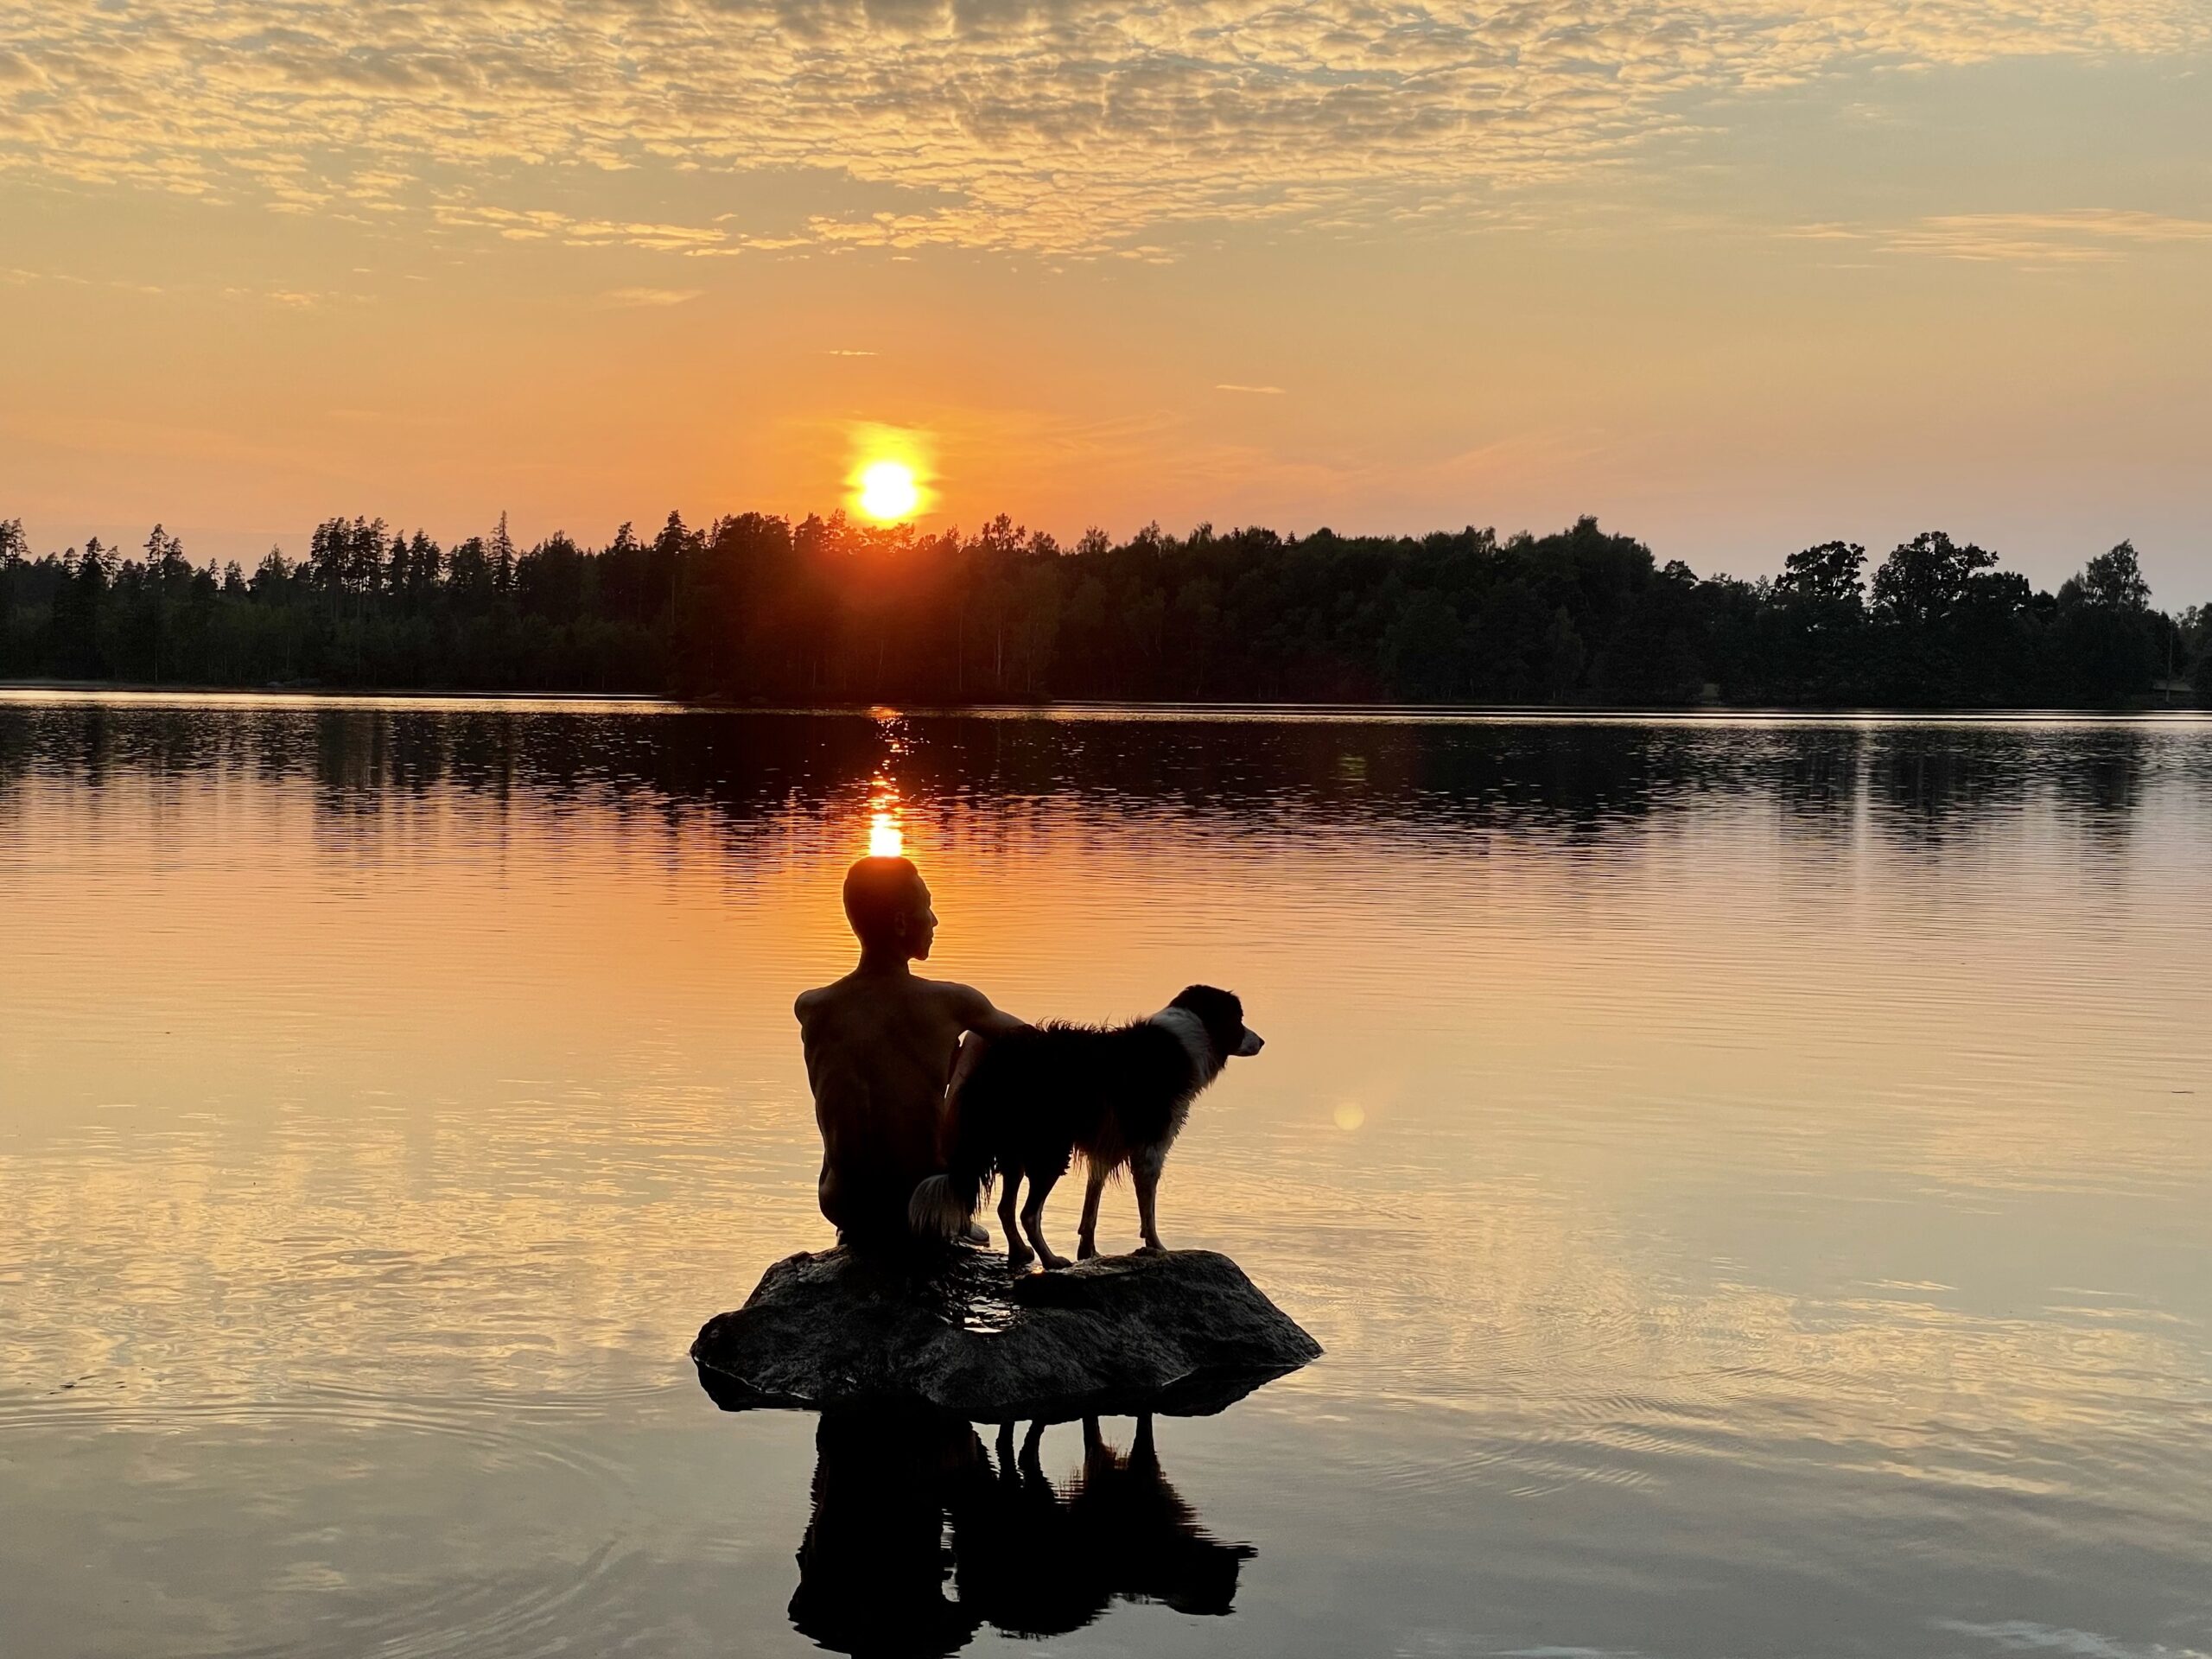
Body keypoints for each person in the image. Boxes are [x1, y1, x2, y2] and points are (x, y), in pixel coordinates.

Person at [795, 855, 1025, 1249]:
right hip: (923, 1202)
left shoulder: (814, 1008)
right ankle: (950, 1213)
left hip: (843, 1204)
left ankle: (867, 1217)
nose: (934, 921)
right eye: (928, 906)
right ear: (902, 922)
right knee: (981, 1041)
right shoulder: (951, 1003)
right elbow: (1037, 1044)